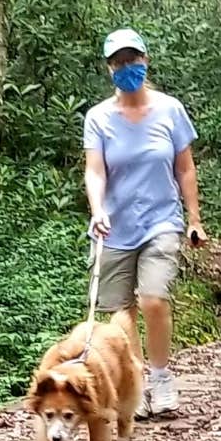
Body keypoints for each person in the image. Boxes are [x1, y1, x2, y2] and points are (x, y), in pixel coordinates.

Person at [82, 28, 207, 417]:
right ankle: (134, 381)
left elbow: (184, 167)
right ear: (109, 68)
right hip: (115, 226)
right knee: (121, 313)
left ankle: (161, 377)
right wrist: (98, 208)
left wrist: (194, 218)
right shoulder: (99, 117)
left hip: (161, 220)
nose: (127, 67)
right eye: (119, 62)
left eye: (133, 59)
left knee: (153, 299)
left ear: (146, 60)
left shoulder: (170, 109)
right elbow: (95, 171)